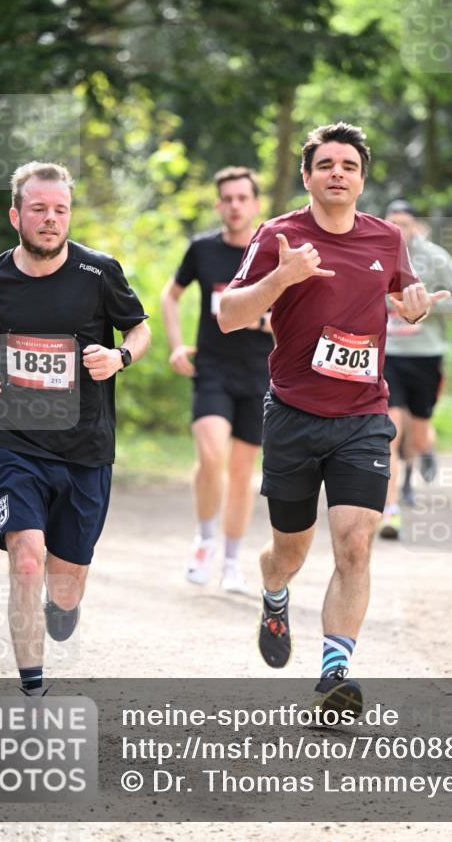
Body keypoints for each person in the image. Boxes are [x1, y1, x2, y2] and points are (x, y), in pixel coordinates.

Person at [218, 122, 450, 716]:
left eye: (349, 165)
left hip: (362, 417)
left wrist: (415, 308)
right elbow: (228, 314)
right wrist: (282, 276)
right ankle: (274, 593)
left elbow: (404, 299)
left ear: (362, 179)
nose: (337, 174)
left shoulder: (386, 238)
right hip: (293, 416)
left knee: (355, 541)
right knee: (289, 552)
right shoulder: (280, 235)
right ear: (307, 176)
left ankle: (335, 675)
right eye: (326, 165)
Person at [0, 161, 150, 696]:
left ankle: (63, 604)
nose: (51, 218)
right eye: (39, 209)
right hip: (14, 443)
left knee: (63, 587)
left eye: (60, 209)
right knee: (27, 559)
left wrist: (121, 357)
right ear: (16, 216)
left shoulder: (98, 273)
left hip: (86, 447)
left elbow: (139, 328)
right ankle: (33, 691)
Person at [160, 167, 273, 594]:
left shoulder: (272, 252)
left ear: (256, 204)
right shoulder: (202, 249)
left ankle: (231, 563)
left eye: (243, 198)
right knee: (210, 455)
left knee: (242, 472)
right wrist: (176, 345)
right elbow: (170, 296)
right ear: (218, 205)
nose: (235, 206)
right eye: (228, 199)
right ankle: (205, 541)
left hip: (259, 374)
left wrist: (262, 320)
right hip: (212, 369)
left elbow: (296, 312)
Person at [379, 200, 452, 539]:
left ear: (415, 226)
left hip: (426, 356)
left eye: (404, 223)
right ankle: (390, 510)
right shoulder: (376, 254)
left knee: (417, 435)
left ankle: (423, 454)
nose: (398, 229)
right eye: (392, 222)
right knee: (390, 430)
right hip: (389, 354)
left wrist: (425, 306)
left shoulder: (435, 258)